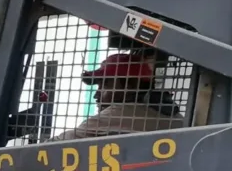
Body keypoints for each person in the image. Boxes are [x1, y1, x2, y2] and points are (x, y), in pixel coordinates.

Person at [49, 52, 185, 142]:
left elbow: (57, 144)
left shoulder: (122, 113)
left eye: (105, 84)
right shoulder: (170, 113)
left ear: (131, 84)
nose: (97, 94)